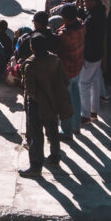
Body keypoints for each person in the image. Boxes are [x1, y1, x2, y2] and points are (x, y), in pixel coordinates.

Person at [20, 34, 72, 178]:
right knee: (53, 131)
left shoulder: (30, 65)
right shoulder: (55, 60)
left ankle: (35, 167)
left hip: (37, 105)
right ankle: (55, 158)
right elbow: (65, 80)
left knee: (36, 136)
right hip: (54, 101)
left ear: (32, 47)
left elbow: (30, 90)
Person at [56, 3, 85, 140]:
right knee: (76, 96)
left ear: (65, 18)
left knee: (65, 103)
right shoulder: (81, 25)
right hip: (78, 67)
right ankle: (76, 126)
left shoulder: (64, 34)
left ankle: (66, 131)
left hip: (66, 71)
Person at [79, 0, 106, 125]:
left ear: (93, 1)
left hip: (90, 53)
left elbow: (84, 30)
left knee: (83, 84)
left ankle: (85, 115)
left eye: (85, 1)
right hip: (98, 51)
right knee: (95, 82)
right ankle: (93, 111)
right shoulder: (100, 11)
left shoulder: (92, 19)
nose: (84, 4)